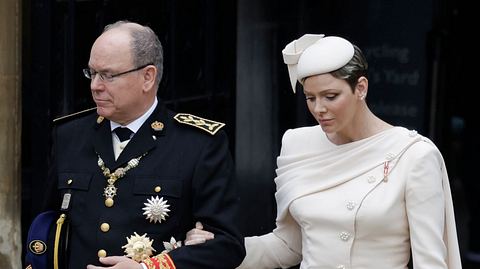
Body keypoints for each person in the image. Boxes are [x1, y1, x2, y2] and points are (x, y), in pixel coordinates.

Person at [184, 34, 462, 269]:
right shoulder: (296, 143)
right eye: (310, 98)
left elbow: (431, 263)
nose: (319, 109)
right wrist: (221, 248)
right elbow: (288, 246)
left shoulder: (413, 154)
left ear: (360, 88)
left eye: (330, 97)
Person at [25, 20, 245, 269]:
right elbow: (46, 227)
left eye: (108, 75)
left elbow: (227, 246)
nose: (95, 86)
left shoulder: (199, 144)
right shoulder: (69, 135)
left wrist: (147, 268)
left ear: (147, 77)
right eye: (92, 73)